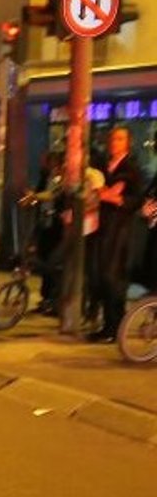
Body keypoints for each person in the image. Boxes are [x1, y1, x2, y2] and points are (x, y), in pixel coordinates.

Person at [88, 126, 146, 342]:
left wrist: (116, 199)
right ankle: (107, 325)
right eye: (112, 138)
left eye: (120, 139)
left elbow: (136, 199)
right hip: (101, 226)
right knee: (100, 275)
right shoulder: (102, 165)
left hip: (120, 229)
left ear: (128, 143)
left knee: (113, 277)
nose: (114, 142)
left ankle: (114, 328)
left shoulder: (131, 168)